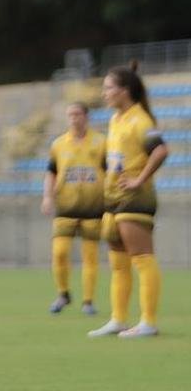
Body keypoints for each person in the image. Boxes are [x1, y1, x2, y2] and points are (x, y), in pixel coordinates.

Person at [88, 63, 167, 339]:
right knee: (118, 263)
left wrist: (139, 179)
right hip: (113, 200)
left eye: (108, 87)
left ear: (125, 91)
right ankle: (118, 319)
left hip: (134, 199)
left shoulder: (140, 120)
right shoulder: (115, 120)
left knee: (142, 259)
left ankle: (149, 321)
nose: (104, 92)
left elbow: (160, 151)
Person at [41, 102, 105, 315]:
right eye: (70, 115)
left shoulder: (101, 142)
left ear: (86, 116)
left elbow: (110, 171)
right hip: (66, 206)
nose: (73, 118)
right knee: (59, 253)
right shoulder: (59, 144)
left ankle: (88, 301)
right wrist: (47, 197)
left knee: (90, 255)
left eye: (77, 114)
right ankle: (63, 294)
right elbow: (51, 172)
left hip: (93, 207)